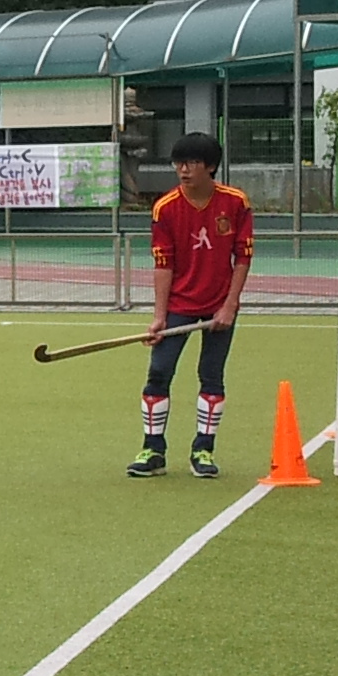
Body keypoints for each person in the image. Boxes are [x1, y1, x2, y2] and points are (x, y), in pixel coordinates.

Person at [130, 130, 253, 480]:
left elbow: (243, 258)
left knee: (211, 375)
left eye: (192, 163)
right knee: (159, 372)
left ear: (210, 167)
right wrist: (159, 317)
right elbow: (163, 264)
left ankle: (203, 449)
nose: (183, 170)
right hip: (179, 305)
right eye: (178, 163)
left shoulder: (236, 202)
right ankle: (153, 450)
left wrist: (229, 306)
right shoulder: (165, 208)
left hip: (219, 305)